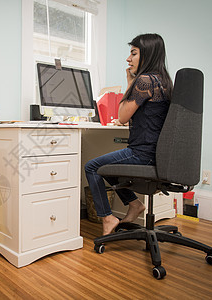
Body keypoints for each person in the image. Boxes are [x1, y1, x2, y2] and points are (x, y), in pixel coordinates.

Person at [85, 33, 173, 235]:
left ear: (148, 55)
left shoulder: (144, 80)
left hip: (143, 153)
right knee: (109, 167)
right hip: (156, 153)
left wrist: (129, 82)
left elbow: (122, 116)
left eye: (133, 53)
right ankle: (134, 205)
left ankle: (107, 217)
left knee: (92, 167)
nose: (128, 58)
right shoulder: (163, 81)